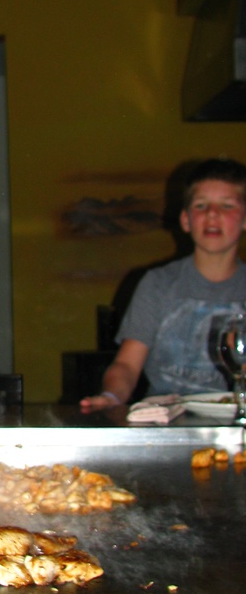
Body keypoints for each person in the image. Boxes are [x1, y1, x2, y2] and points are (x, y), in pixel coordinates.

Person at [81, 157, 246, 412]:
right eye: (201, 205)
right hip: (165, 423)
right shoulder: (158, 284)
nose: (212, 214)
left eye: (226, 206)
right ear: (185, 220)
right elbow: (127, 366)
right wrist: (112, 397)